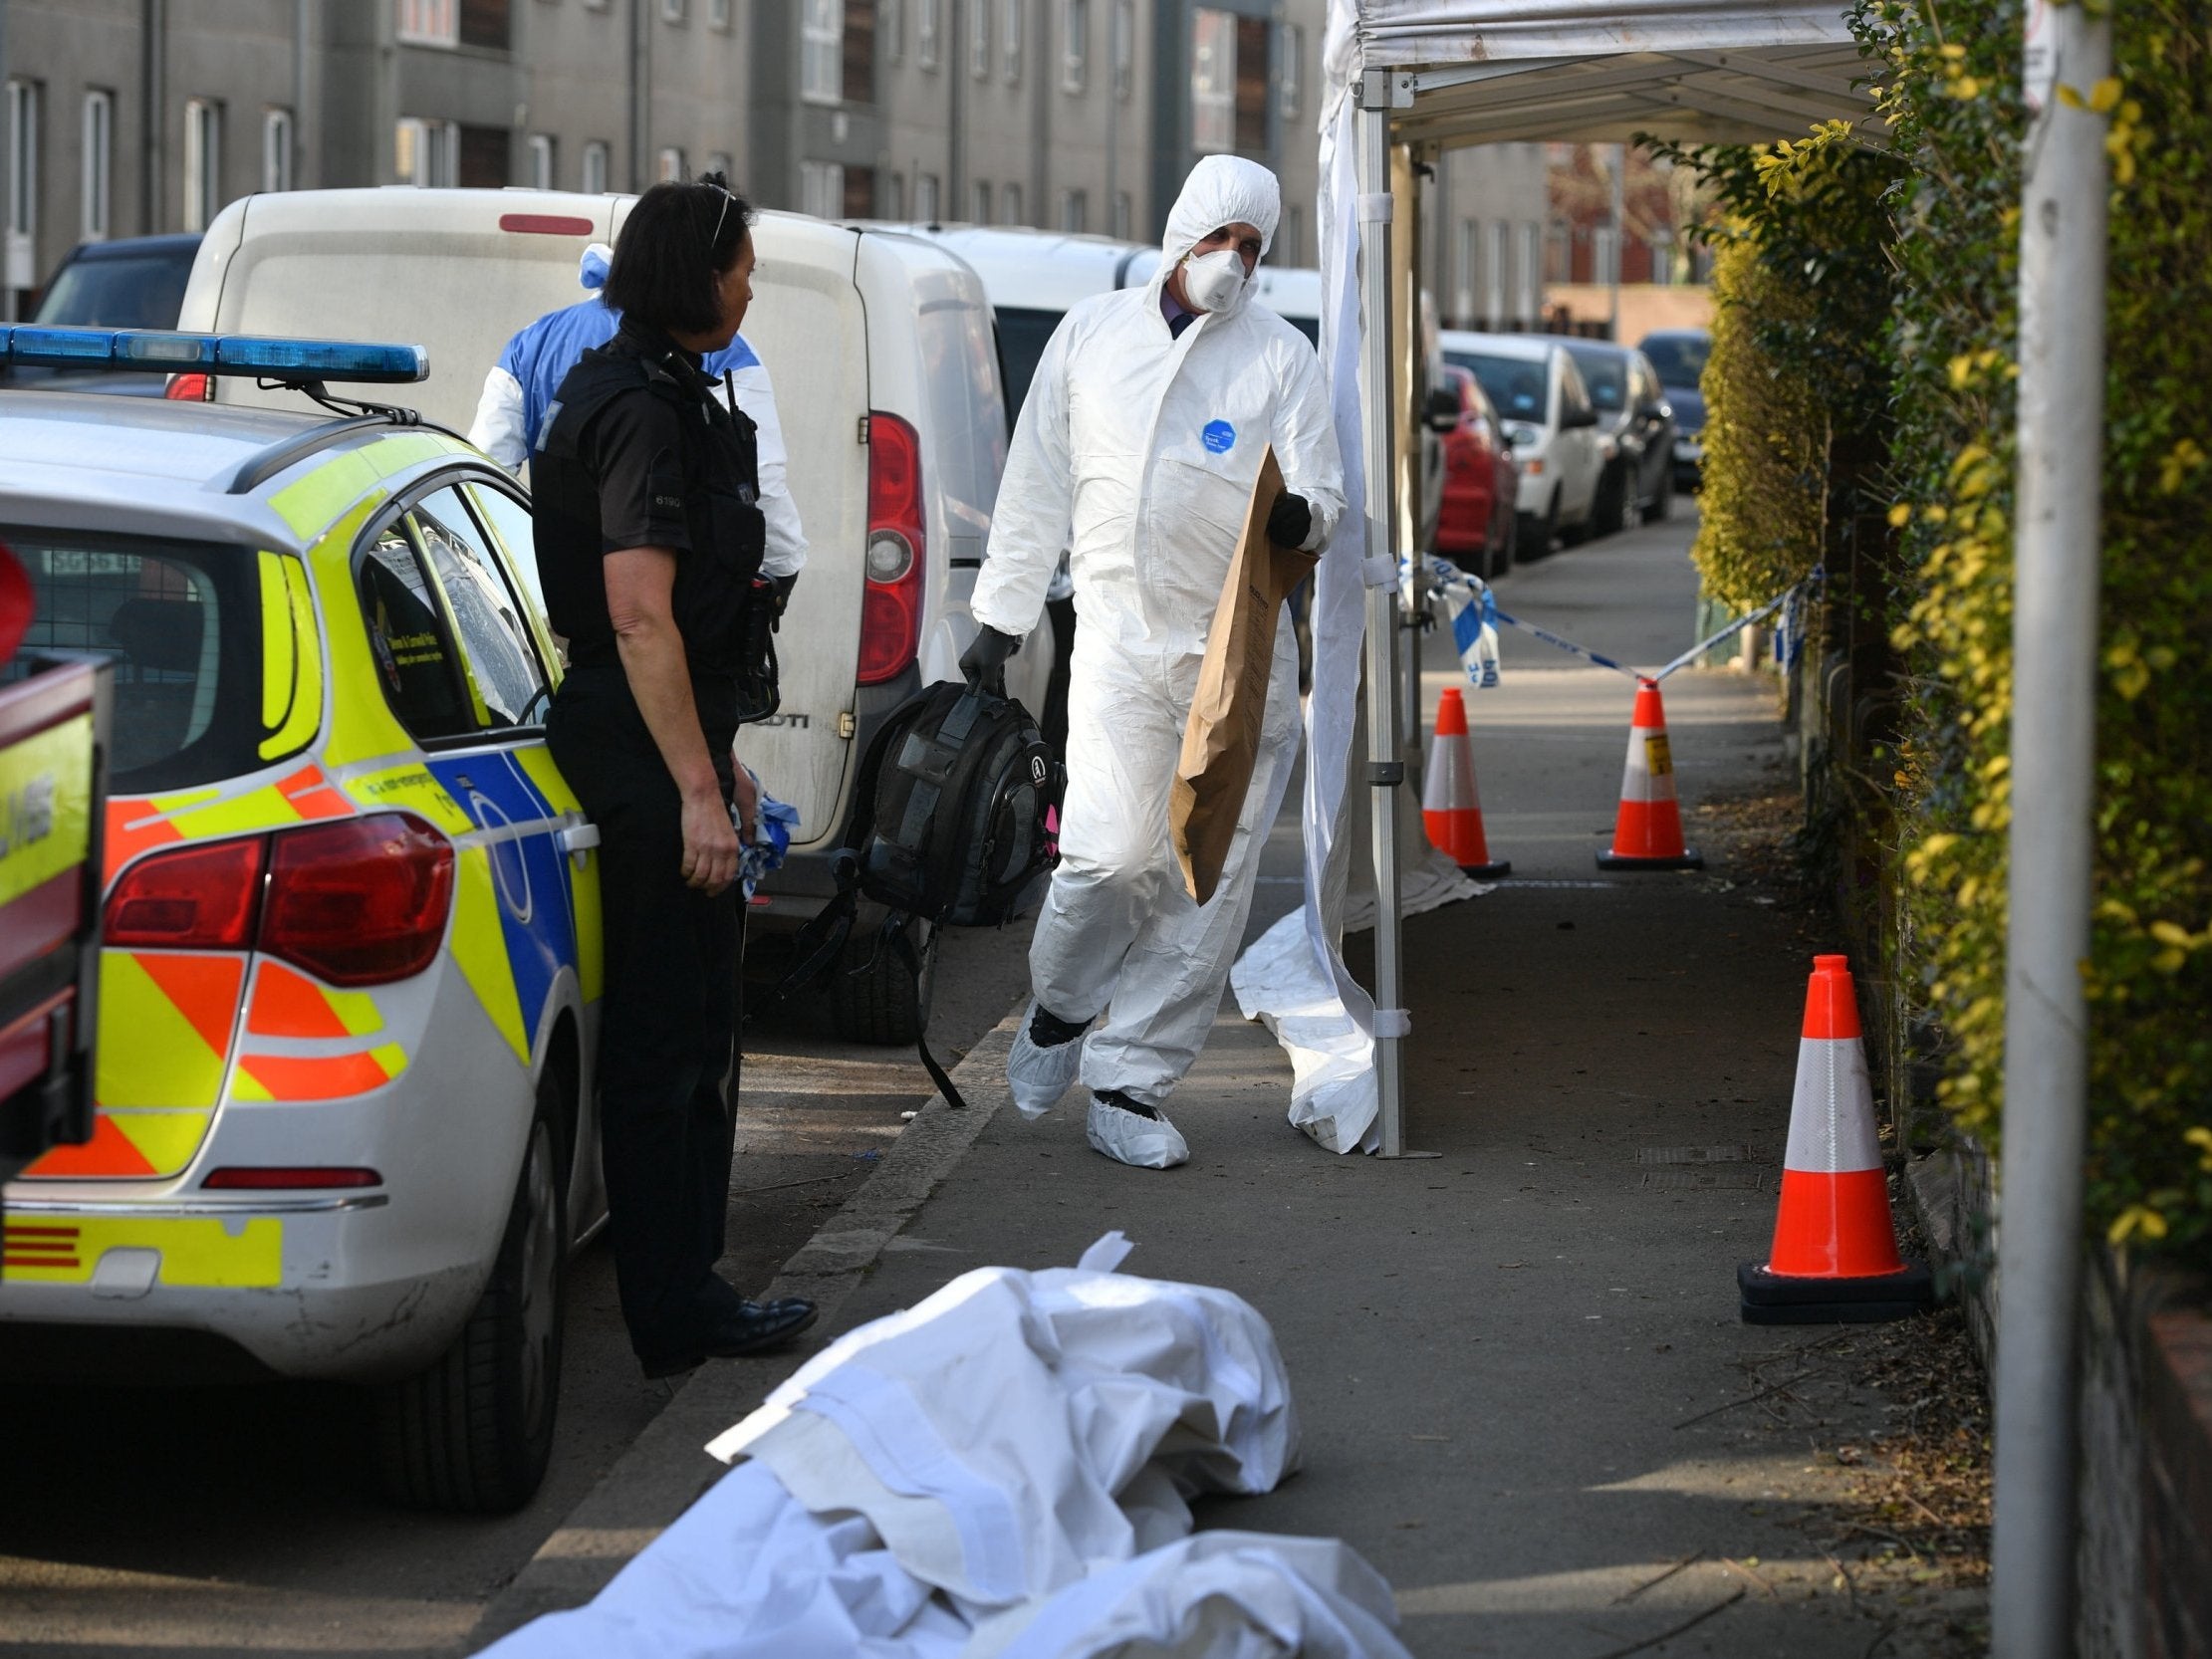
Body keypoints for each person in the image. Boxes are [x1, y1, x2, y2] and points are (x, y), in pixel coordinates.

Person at [961, 155, 1346, 1170]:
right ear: (1183, 232)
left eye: (1253, 248)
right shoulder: (1091, 336)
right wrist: (1000, 615)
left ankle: (1129, 1081)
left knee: (1202, 880)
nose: (1234, 262)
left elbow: (1323, 486)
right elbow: (1035, 480)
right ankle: (1061, 1005)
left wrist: (1308, 514)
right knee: (1106, 856)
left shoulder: (1278, 357)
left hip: (1239, 662)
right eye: (1221, 238)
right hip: (1123, 646)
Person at [529, 175, 816, 1376]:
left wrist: (725, 766)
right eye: (741, 265)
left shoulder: (668, 391)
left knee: (701, 1026)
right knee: (662, 1042)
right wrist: (696, 791)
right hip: (636, 743)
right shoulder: (638, 409)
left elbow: (685, 639)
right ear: (693, 274)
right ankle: (671, 1311)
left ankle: (691, 1287)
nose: (751, 285)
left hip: (672, 732)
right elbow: (640, 620)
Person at [467, 243, 807, 586]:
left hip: (560, 592)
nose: (748, 292)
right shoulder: (720, 346)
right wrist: (782, 566)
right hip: (673, 590)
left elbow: (484, 470)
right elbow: (761, 480)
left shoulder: (532, 341)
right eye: (747, 273)